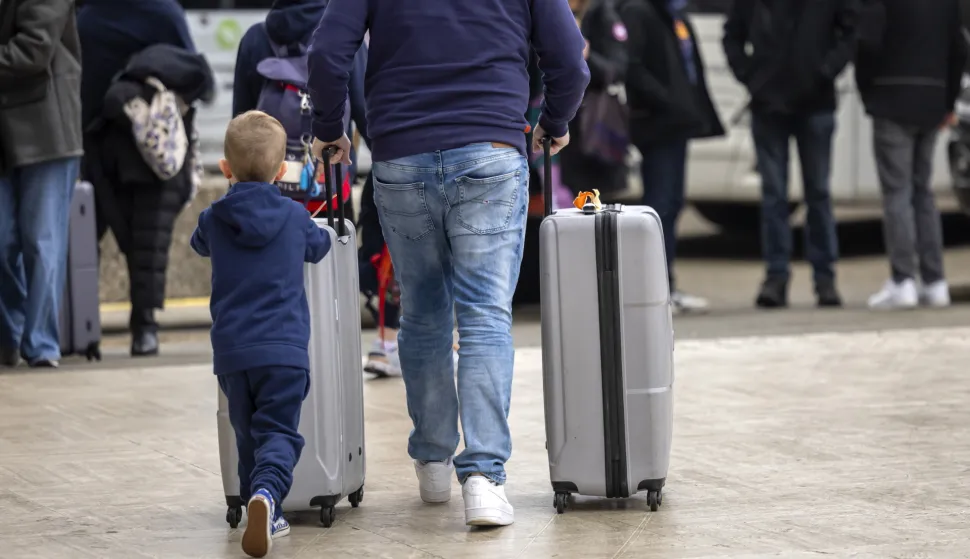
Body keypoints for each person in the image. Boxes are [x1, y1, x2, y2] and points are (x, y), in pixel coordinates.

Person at [307, 0, 589, 526]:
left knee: (423, 310)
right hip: (491, 151)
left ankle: (433, 461)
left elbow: (327, 52)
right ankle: (483, 478)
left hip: (401, 157)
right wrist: (554, 120)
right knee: (484, 316)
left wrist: (330, 125)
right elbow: (570, 59)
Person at [190, 111, 331, 558]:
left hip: (232, 352)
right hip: (284, 349)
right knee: (279, 434)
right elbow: (321, 245)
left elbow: (198, 242)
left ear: (225, 168)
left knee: (248, 433)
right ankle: (267, 499)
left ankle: (260, 500)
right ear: (280, 171)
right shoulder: (293, 216)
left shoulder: (215, 218)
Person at [78, 0, 203, 357]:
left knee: (94, 239)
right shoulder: (165, 13)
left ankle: (95, 327)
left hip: (126, 142)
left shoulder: (91, 16)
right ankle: (138, 328)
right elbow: (194, 77)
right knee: (145, 243)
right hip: (125, 143)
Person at [723, 0, 857, 309]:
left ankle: (824, 279)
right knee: (774, 196)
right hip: (769, 106)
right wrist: (752, 78)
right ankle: (776, 277)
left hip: (816, 102)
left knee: (818, 193)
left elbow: (849, 32)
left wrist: (824, 72)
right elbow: (732, 36)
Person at [855, 0, 967, 310]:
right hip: (931, 102)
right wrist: (947, 100)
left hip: (891, 100)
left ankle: (903, 279)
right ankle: (935, 282)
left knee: (897, 193)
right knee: (923, 192)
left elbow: (867, 43)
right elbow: (958, 48)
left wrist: (868, 92)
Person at [618, 0, 725, 313]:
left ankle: (666, 285)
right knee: (660, 207)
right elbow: (632, 68)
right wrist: (669, 102)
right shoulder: (639, 11)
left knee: (671, 205)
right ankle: (655, 289)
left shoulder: (672, 15)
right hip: (658, 124)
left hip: (676, 125)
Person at [0, 0, 83, 369]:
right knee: (3, 242)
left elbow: (33, 49)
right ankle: (11, 336)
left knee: (41, 242)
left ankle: (40, 344)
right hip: (6, 132)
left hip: (46, 130)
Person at [232, 0, 368, 219]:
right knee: (334, 251)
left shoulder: (254, 39)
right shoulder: (344, 37)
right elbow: (367, 116)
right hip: (331, 198)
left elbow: (239, 129)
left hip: (266, 201)